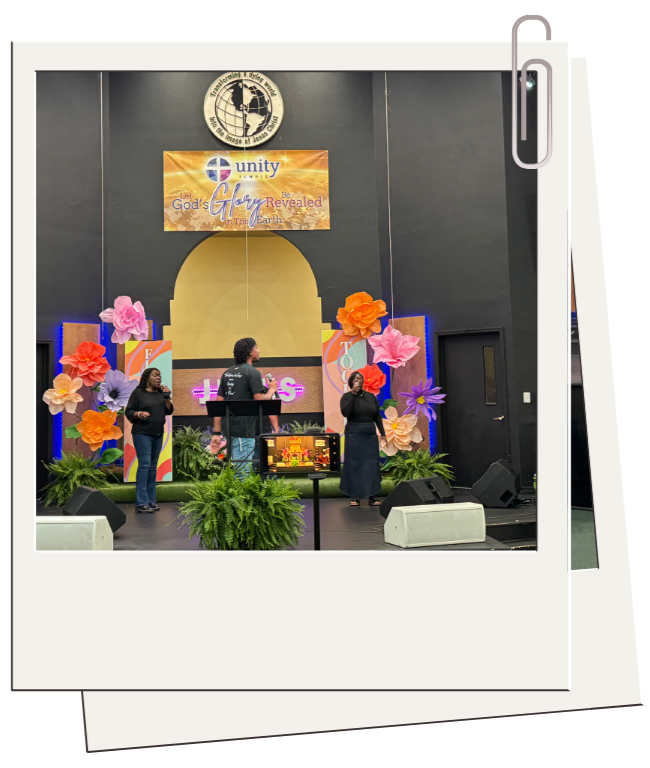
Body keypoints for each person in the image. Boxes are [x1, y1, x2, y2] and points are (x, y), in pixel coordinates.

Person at [213, 338, 279, 476]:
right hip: (245, 429)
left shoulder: (227, 373)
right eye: (256, 348)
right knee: (242, 472)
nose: (259, 351)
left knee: (238, 468)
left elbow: (218, 404)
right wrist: (272, 390)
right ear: (250, 352)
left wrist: (217, 433)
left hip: (230, 429)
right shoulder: (252, 372)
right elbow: (259, 399)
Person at [125, 367, 174, 513]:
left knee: (153, 467)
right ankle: (141, 502)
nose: (158, 378)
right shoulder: (138, 393)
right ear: (147, 378)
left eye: (159, 376)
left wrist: (167, 397)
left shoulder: (160, 394)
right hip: (142, 434)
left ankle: (151, 500)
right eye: (155, 375)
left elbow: (168, 411)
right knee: (145, 465)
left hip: (158, 434)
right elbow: (129, 411)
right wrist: (139, 414)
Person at [339, 371, 388, 506]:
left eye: (359, 378)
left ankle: (372, 497)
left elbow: (377, 416)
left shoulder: (371, 397)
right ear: (351, 382)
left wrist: (383, 434)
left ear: (363, 381)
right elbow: (346, 413)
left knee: (371, 464)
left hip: (369, 434)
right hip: (354, 434)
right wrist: (353, 395)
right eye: (355, 379)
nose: (357, 380)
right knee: (354, 464)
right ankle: (354, 497)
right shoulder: (346, 397)